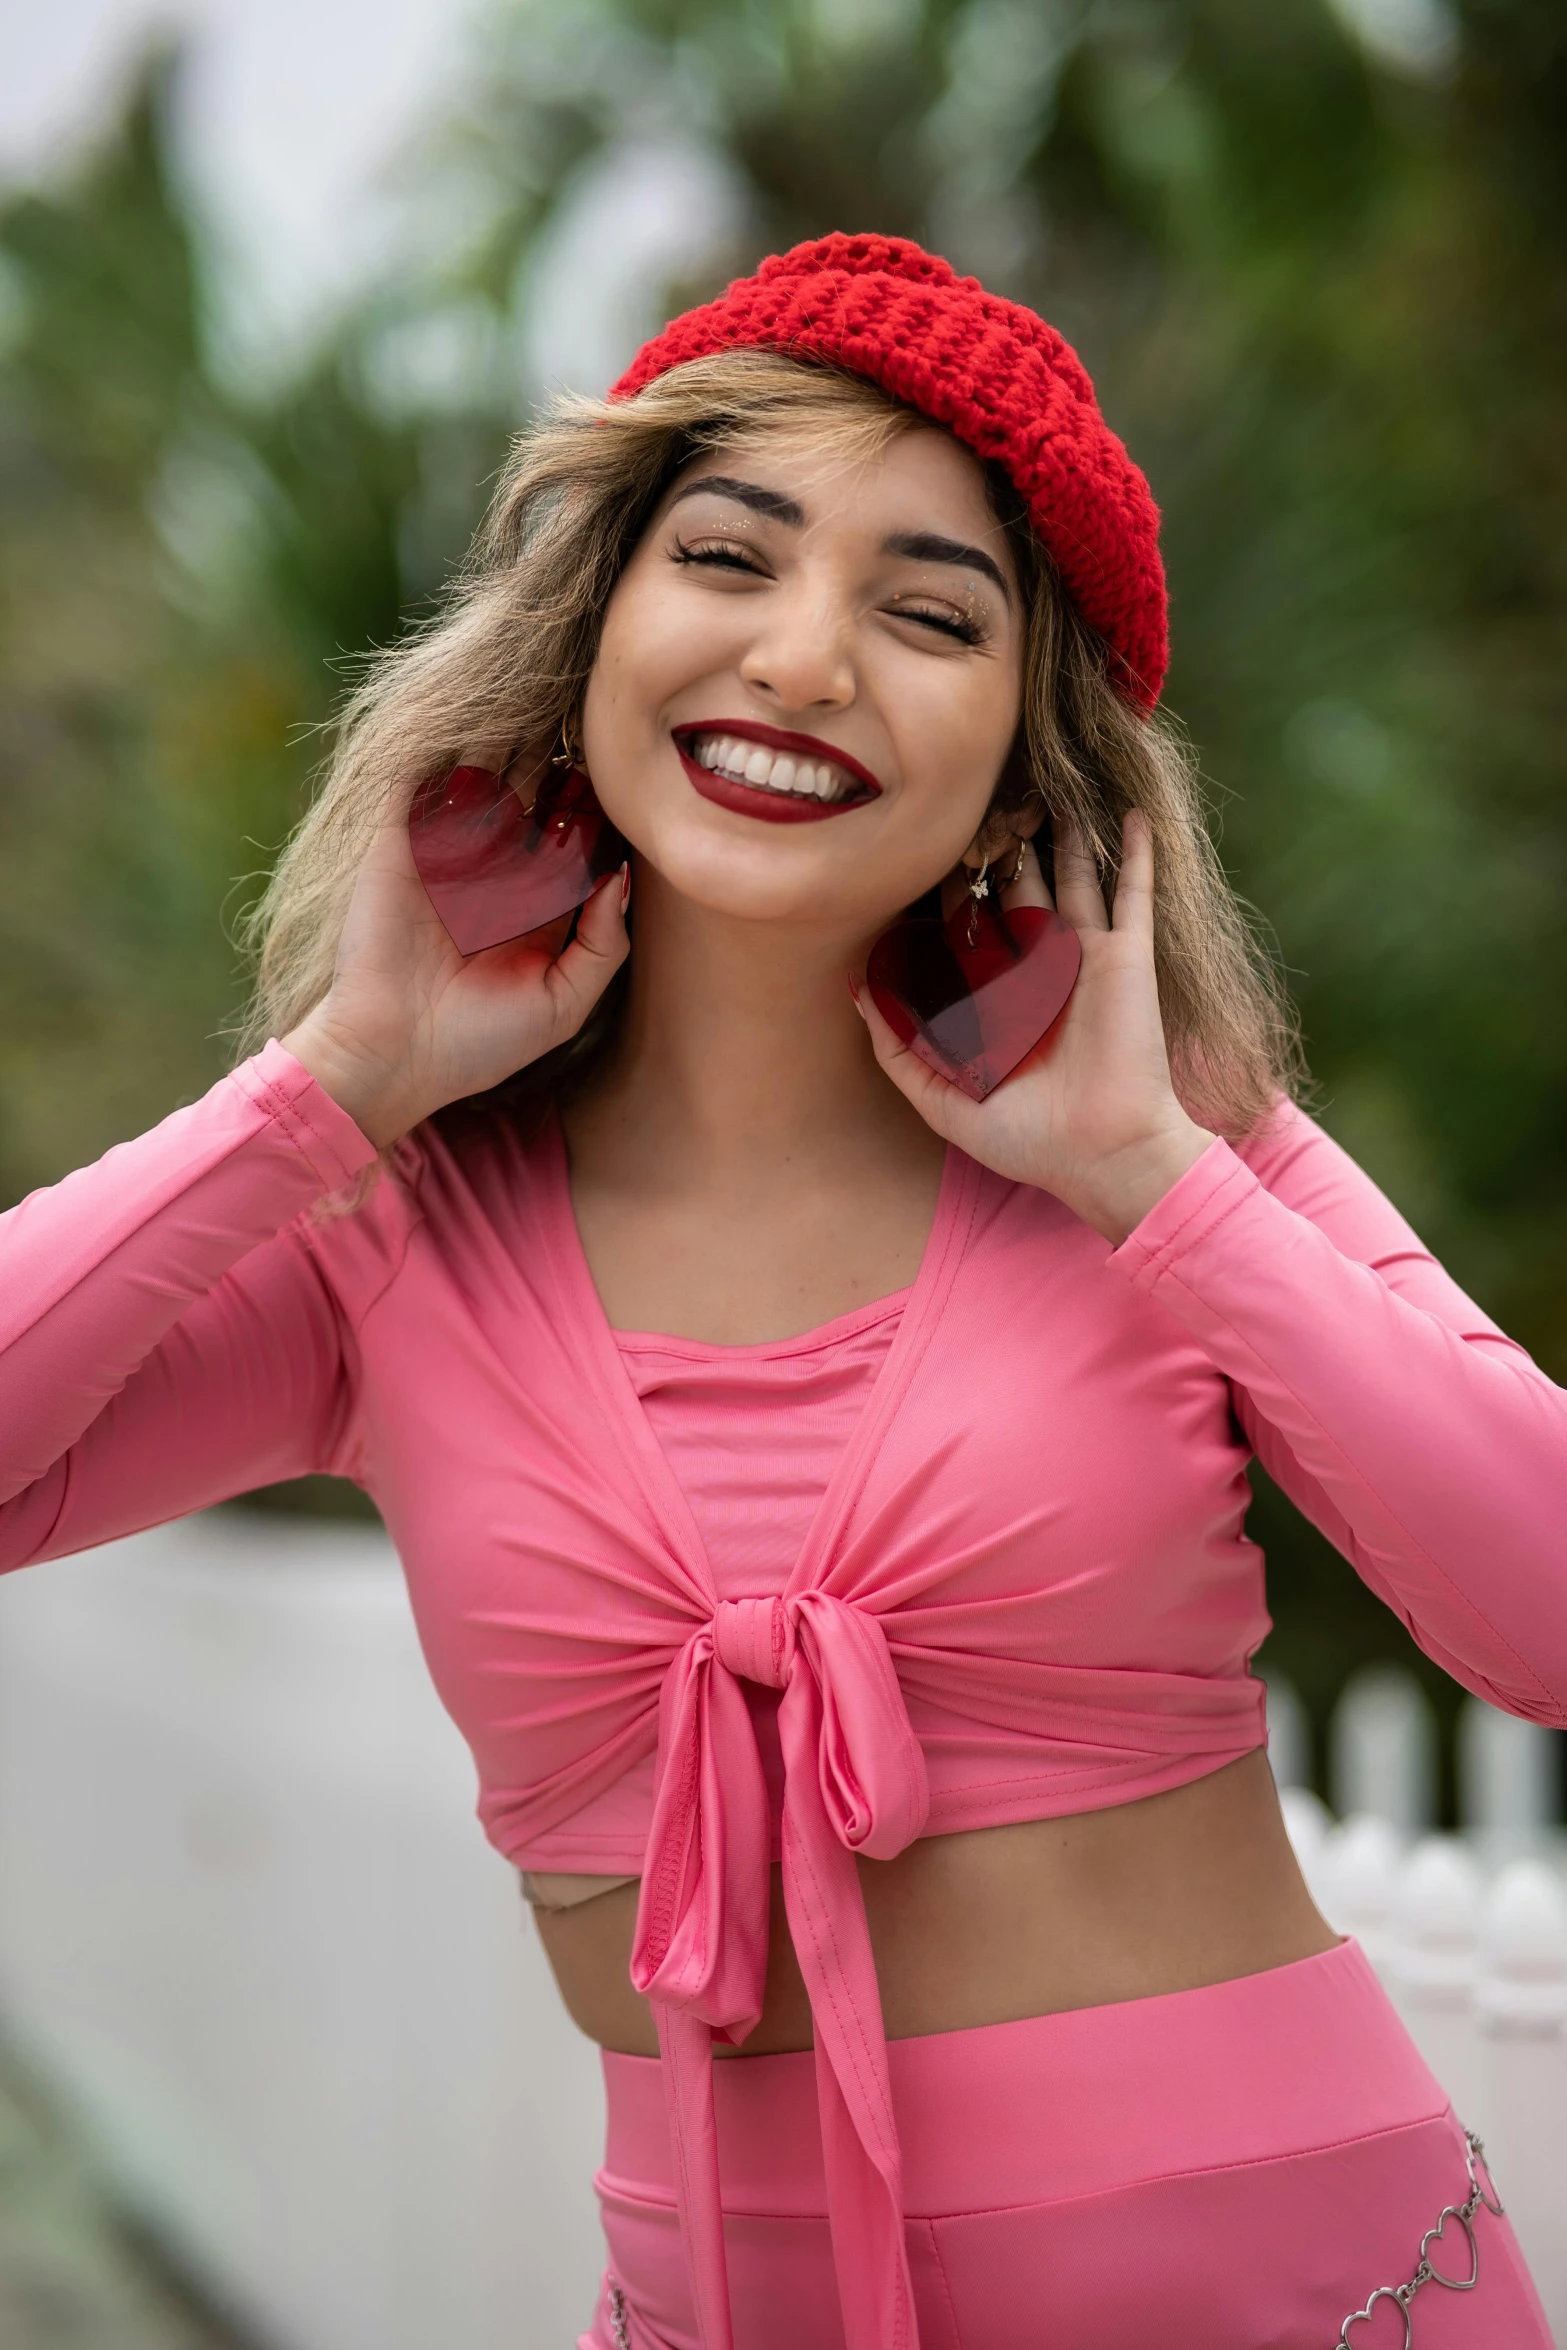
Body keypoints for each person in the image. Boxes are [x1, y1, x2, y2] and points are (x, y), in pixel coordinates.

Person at [1, 233, 1562, 2350]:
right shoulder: (386, 1231)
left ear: (1029, 749)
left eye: (933, 612)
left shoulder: (1169, 1147)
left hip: (1319, 2294)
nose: (809, 659)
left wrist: (1154, 1186)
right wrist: (330, 1087)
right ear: (593, 625)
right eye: (731, 556)